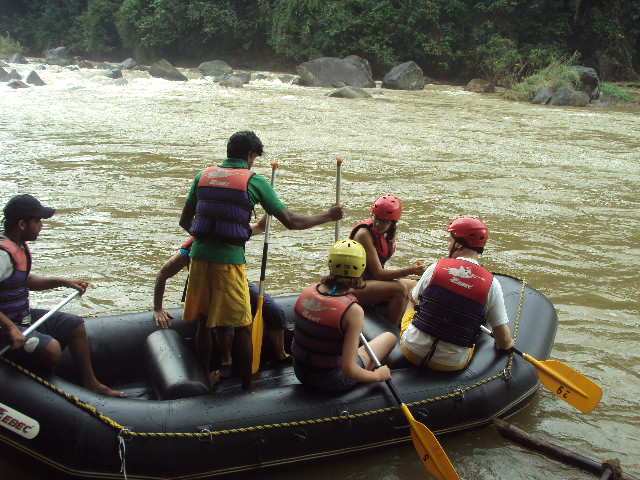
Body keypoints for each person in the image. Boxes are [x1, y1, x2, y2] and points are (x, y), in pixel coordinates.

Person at [179, 130, 343, 390]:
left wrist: (208, 239)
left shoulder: (203, 176)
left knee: (204, 322)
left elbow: (184, 221)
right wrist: (328, 216)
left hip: (198, 260)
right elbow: (292, 222)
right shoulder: (254, 182)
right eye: (255, 157)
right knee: (244, 325)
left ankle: (204, 378)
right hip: (228, 264)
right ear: (250, 155)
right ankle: (247, 388)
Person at [0, 194, 123, 397]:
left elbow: (25, 281)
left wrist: (62, 282)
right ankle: (42, 394)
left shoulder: (17, 247)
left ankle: (91, 383)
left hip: (19, 318)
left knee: (74, 324)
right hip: (5, 326)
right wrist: (11, 328)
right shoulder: (3, 255)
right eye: (38, 220)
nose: (41, 225)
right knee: (52, 349)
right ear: (22, 224)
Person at [152, 235, 291, 381]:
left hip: (238, 284)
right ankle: (226, 361)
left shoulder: (236, 231)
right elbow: (163, 273)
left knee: (274, 310)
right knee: (224, 322)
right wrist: (157, 308)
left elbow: (260, 226)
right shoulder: (193, 246)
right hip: (208, 290)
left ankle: (281, 355)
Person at [400, 216, 515, 371]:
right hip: (450, 365)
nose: (448, 246)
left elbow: (415, 300)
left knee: (411, 298)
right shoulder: (492, 285)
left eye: (450, 241)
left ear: (459, 245)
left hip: (411, 351)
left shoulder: (435, 268)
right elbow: (503, 341)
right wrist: (509, 343)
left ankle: (405, 333)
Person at [291, 239, 395, 391]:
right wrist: (378, 376)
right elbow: (348, 370)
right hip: (330, 380)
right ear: (361, 267)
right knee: (389, 338)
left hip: (300, 371)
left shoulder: (308, 290)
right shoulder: (353, 311)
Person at [349, 195, 426, 326]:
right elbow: (379, 273)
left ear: (392, 223)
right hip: (354, 286)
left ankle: (404, 325)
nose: (378, 224)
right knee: (400, 288)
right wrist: (409, 270)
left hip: (371, 281)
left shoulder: (388, 234)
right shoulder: (363, 234)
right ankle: (392, 331)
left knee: (414, 286)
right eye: (376, 219)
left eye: (384, 221)